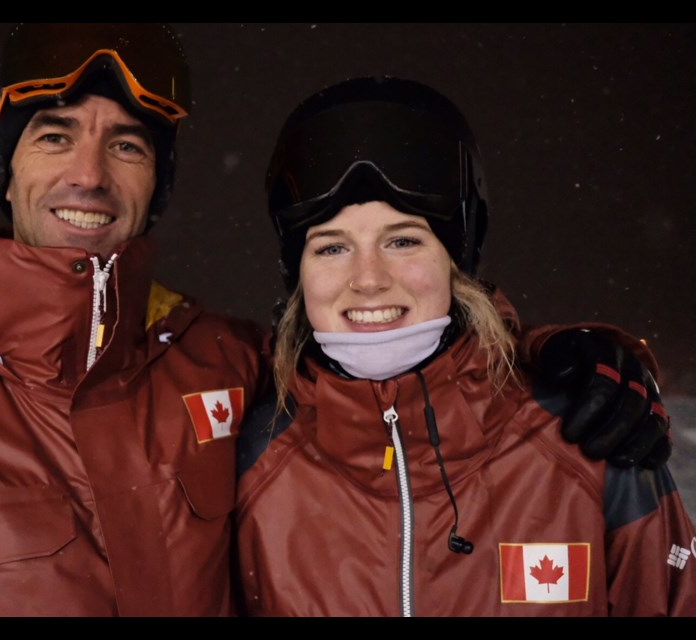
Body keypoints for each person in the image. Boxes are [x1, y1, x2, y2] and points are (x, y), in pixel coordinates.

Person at [0, 26, 673, 617]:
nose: (89, 175)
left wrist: (573, 358)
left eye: (128, 145)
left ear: (162, 183)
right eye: (55, 136)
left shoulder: (222, 365)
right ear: (4, 167)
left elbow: (395, 378)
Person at [234, 76, 695, 616]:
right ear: (299, 277)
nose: (367, 279)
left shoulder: (592, 442)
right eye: (332, 247)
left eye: (403, 240)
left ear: (458, 261)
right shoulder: (250, 463)